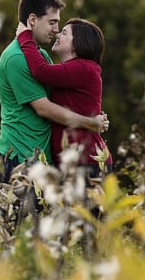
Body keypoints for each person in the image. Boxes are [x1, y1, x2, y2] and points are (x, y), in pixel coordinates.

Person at [0, 0, 107, 183]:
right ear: (32, 20)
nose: (56, 30)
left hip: (42, 159)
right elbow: (44, 108)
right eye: (52, 22)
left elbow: (65, 91)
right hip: (19, 157)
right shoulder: (16, 58)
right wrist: (91, 122)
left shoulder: (41, 56)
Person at [16, 16, 112, 178]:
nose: (58, 34)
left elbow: (41, 71)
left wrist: (25, 37)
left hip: (86, 162)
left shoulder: (84, 68)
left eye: (65, 33)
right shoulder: (74, 69)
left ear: (79, 43)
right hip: (75, 162)